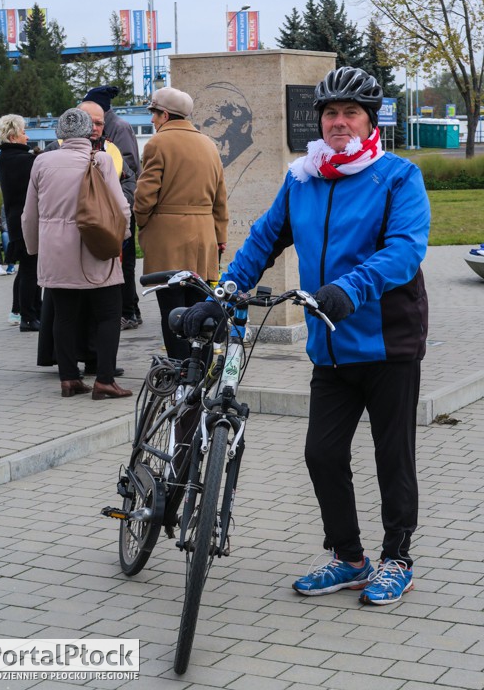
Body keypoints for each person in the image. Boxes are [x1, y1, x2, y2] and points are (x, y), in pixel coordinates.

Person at [178, 67, 430, 605]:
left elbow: (406, 250)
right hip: (331, 348)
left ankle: (397, 558)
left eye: (351, 114)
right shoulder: (303, 180)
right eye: (331, 114)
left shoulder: (398, 177)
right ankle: (348, 557)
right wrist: (221, 296)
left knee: (393, 456)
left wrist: (347, 289)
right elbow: (261, 241)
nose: (339, 123)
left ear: (369, 121)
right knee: (321, 454)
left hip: (388, 344)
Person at [22, 107, 133, 400]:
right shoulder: (101, 160)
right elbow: (121, 208)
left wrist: (35, 249)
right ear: (88, 132)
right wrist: (122, 239)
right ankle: (104, 380)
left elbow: (28, 215)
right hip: (95, 248)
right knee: (109, 314)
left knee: (63, 316)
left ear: (60, 133)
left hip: (55, 253)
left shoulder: (42, 162)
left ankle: (69, 379)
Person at [134, 86, 229, 359]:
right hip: (204, 237)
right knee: (198, 309)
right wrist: (219, 235)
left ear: (164, 114)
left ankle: (179, 368)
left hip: (167, 238)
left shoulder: (157, 144)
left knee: (172, 312)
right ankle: (201, 365)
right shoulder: (209, 144)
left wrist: (144, 223)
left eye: (153, 113)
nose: (152, 120)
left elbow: (145, 195)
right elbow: (220, 198)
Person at [82, 85, 141, 330]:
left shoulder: (119, 127)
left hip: (119, 206)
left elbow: (129, 166)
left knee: (125, 262)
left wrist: (123, 200)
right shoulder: (105, 125)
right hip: (103, 206)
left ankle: (129, 311)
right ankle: (128, 309)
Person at [0, 115, 42, 331]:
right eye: (24, 132)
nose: (27, 136)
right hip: (26, 222)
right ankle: (29, 317)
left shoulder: (6, 158)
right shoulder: (21, 160)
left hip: (17, 222)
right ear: (13, 136)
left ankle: (28, 312)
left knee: (27, 270)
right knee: (32, 270)